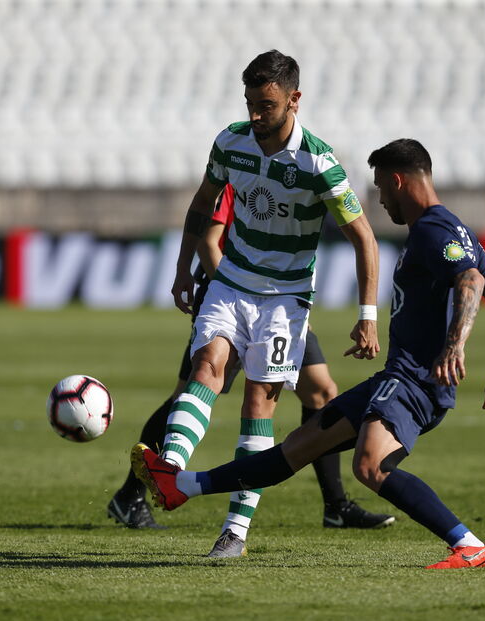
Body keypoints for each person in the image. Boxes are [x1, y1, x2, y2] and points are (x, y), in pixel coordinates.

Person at [133, 139, 485, 569]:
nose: (381, 200)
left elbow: (472, 281)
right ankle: (181, 485)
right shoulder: (450, 228)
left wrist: (455, 345)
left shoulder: (433, 229)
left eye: (381, 189)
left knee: (371, 466)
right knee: (298, 447)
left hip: (414, 381)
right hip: (393, 378)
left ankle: (468, 545)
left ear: (397, 181)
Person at [161, 49, 381, 557]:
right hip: (232, 282)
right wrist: (180, 270)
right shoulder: (230, 141)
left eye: (266, 105)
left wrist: (367, 317)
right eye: (250, 104)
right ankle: (168, 474)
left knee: (259, 401)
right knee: (206, 366)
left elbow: (364, 238)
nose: (256, 116)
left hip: (284, 299)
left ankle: (235, 531)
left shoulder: (318, 164)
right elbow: (201, 204)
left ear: (294, 100)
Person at [108, 184, 394, 533]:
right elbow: (208, 243)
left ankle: (336, 505)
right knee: (190, 393)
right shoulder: (238, 174)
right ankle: (132, 493)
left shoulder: (294, 173)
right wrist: (239, 295)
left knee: (321, 391)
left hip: (279, 301)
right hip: (228, 294)